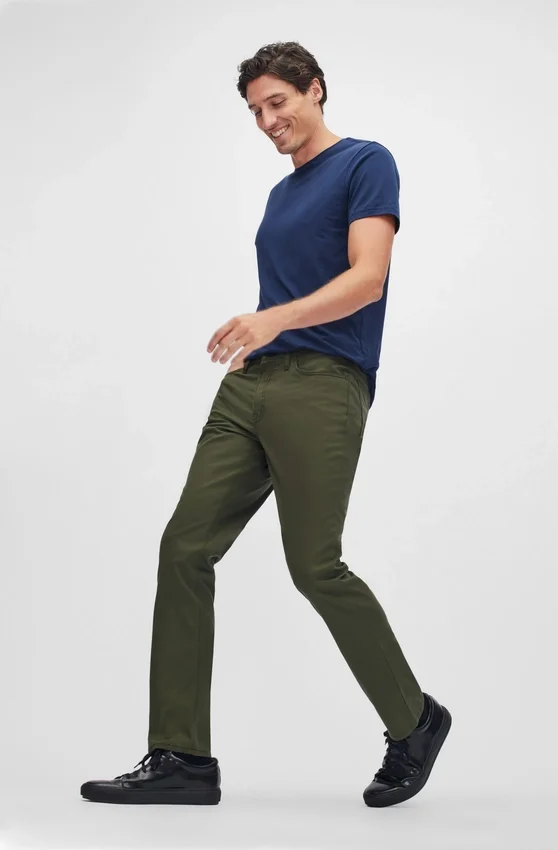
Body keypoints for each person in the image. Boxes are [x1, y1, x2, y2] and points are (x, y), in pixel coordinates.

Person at [81, 40, 451, 809]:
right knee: (185, 547)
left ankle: (414, 721)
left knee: (314, 565)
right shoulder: (282, 194)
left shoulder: (365, 162)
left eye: (277, 101)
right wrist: (259, 341)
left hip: (323, 382)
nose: (266, 120)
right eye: (254, 110)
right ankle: (181, 756)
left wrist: (271, 320)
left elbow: (366, 280)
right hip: (252, 386)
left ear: (315, 89)